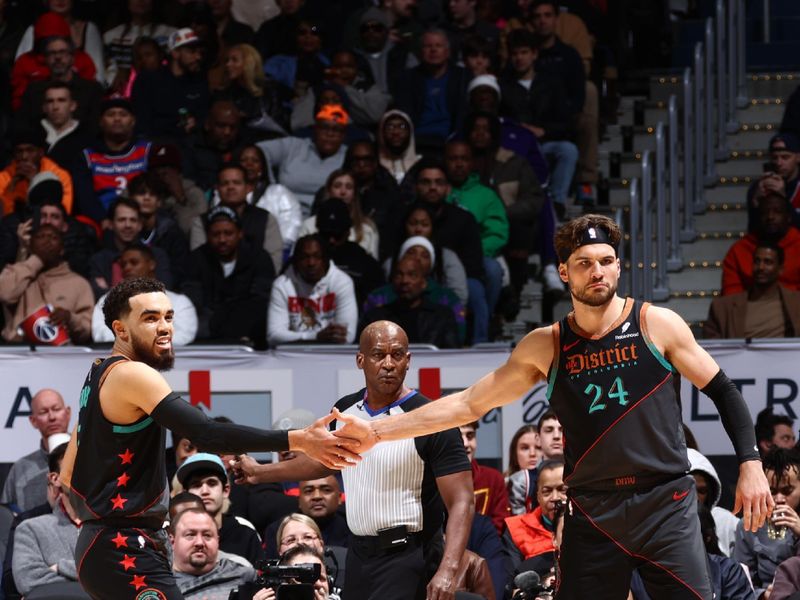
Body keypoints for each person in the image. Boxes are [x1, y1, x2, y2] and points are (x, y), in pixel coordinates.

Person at [334, 214, 773, 599]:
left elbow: (724, 391)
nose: (596, 271)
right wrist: (377, 432)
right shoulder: (546, 345)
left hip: (663, 502)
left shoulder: (655, 323)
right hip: (593, 509)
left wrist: (751, 463)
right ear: (565, 272)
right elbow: (468, 404)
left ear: (618, 265)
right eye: (584, 263)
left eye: (605, 261)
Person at [59, 276, 361, 599]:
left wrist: (97, 525)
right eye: (150, 318)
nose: (165, 327)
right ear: (120, 330)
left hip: (105, 544)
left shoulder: (97, 374)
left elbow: (67, 476)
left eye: (168, 317)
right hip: (123, 548)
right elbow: (207, 433)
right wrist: (299, 440)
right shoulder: (133, 374)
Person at [233, 321, 474, 600]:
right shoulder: (346, 410)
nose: (388, 364)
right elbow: (324, 463)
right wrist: (260, 473)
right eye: (378, 354)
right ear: (360, 360)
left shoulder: (433, 419)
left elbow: (462, 501)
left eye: (397, 355)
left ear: (408, 361)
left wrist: (448, 570)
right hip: (359, 555)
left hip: (411, 556)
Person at [182, 206, 275, 344]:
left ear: (240, 233)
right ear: (207, 236)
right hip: (207, 328)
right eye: (216, 234)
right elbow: (192, 301)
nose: (222, 239)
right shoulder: (197, 259)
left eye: (228, 233)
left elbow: (261, 300)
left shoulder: (259, 258)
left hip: (247, 328)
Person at [10, 439, 84, 599]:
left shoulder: (113, 528)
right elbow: (28, 580)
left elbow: (120, 576)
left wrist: (60, 567)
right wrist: (90, 581)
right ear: (55, 479)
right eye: (74, 466)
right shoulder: (30, 529)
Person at [0, 223, 93, 344]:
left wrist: (70, 318)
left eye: (53, 237)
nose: (47, 241)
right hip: (18, 352)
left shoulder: (79, 283)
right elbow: (5, 294)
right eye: (41, 236)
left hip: (62, 355)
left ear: (62, 249)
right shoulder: (14, 273)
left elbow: (87, 330)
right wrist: (37, 260)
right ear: (30, 245)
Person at [92, 245, 197, 345]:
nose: (127, 268)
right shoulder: (108, 300)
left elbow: (183, 337)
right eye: (123, 265)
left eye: (134, 262)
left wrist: (137, 343)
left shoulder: (179, 302)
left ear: (151, 264)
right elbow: (101, 334)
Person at [189, 163, 283, 274]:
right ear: (217, 188)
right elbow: (199, 262)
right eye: (225, 183)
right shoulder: (201, 222)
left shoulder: (266, 219)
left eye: (236, 183)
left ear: (248, 187)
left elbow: (273, 263)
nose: (230, 187)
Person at [258, 104, 350, 216]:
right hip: (284, 215)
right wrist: (271, 185)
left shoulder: (349, 155)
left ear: (344, 135)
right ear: (315, 129)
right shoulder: (293, 146)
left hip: (328, 218)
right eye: (324, 128)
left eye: (336, 130)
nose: (330, 134)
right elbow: (257, 151)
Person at [267, 234, 358, 346]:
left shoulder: (342, 282)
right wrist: (316, 337)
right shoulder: (282, 285)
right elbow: (273, 335)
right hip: (293, 356)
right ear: (295, 261)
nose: (311, 263)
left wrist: (303, 338)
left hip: (331, 356)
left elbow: (347, 336)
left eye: (317, 256)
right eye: (304, 257)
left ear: (326, 259)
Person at [734, 448, 800, 599]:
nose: (779, 499)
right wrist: (762, 595)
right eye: (772, 491)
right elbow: (739, 580)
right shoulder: (749, 525)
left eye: (787, 490)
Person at [177, 453, 262, 566]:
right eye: (196, 485)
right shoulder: (174, 537)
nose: (205, 491)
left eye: (212, 483)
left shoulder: (246, 535)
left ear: (226, 490)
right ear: (186, 494)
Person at [393, 29, 470, 153]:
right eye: (428, 46)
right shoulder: (408, 79)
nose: (433, 50)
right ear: (421, 52)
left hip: (451, 141)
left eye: (438, 46)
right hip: (416, 142)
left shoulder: (463, 78)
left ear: (447, 51)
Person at [359, 256, 460, 348]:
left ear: (424, 283)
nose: (404, 281)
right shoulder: (375, 318)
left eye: (412, 275)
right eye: (399, 275)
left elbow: (451, 357)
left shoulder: (442, 316)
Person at [706, 243, 800, 338]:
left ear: (781, 269)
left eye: (768, 262)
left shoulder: (796, 303)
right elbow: (712, 346)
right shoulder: (722, 308)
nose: (761, 267)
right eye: (757, 261)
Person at [79, 97, 151, 221]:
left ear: (133, 121)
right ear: (101, 122)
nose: (117, 119)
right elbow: (85, 197)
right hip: (103, 221)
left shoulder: (147, 151)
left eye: (123, 114)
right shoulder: (87, 156)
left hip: (141, 217)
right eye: (111, 114)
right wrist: (102, 219)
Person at [131, 27, 210, 140]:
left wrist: (196, 124)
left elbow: (204, 117)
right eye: (192, 51)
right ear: (175, 53)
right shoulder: (148, 81)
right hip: (155, 145)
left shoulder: (200, 82)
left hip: (190, 146)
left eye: (199, 52)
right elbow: (142, 122)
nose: (198, 57)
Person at [17, 35, 103, 135]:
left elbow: (95, 127)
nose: (57, 57)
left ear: (72, 58)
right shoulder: (33, 90)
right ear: (45, 59)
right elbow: (23, 125)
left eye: (62, 52)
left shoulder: (92, 89)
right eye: (52, 53)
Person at [1, 390, 70, 513]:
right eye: (44, 412)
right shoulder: (20, 469)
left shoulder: (88, 457)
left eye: (56, 409)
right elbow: (6, 515)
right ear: (33, 420)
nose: (52, 417)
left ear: (68, 413)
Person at [88, 198, 173, 298]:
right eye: (121, 220)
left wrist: (110, 291)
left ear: (140, 225)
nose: (128, 225)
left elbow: (165, 291)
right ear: (111, 224)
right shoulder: (99, 260)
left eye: (133, 220)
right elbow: (97, 297)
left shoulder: (157, 255)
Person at [170, 507, 262, 600]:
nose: (200, 543)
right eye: (190, 535)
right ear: (172, 541)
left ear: (217, 540)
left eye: (207, 535)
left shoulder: (245, 575)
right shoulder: (160, 582)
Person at [722, 194, 800, 296]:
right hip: (750, 308)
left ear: (788, 217)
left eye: (777, 212)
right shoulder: (739, 250)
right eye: (764, 212)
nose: (770, 217)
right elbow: (731, 294)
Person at [503, 459, 566, 576]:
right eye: (547, 492)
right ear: (538, 497)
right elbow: (513, 583)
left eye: (562, 490)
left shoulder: (589, 525)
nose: (555, 497)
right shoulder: (516, 529)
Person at [263, 475, 349, 558]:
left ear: (339, 498)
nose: (317, 496)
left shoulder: (353, 529)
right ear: (299, 500)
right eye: (309, 491)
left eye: (326, 490)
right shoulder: (279, 530)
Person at [0, 125, 73, 217]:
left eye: (30, 150)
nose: (24, 157)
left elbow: (60, 215)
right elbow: (3, 219)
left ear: (41, 153)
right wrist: (10, 189)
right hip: (13, 227)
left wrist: (35, 181)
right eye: (19, 151)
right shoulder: (3, 178)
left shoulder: (59, 176)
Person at [507, 410, 563, 515]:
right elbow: (519, 526)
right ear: (538, 438)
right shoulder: (522, 481)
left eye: (562, 429)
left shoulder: (582, 476)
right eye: (549, 430)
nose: (556, 436)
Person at [688, 448, 741, 557]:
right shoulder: (665, 526)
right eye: (689, 490)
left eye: (702, 491)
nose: (695, 498)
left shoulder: (727, 523)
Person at [460, 420, 510, 534]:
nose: (466, 443)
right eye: (458, 437)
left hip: (488, 548)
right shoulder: (435, 481)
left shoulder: (493, 479)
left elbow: (500, 524)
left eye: (470, 435)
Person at [747, 133, 800, 231]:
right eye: (775, 158)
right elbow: (753, 230)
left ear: (798, 157)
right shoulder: (760, 187)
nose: (779, 163)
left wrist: (783, 199)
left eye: (785, 157)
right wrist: (756, 205)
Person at [377, 109, 422, 186]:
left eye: (402, 126)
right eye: (390, 127)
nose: (396, 132)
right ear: (382, 132)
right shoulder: (374, 165)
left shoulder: (421, 164)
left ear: (410, 132)